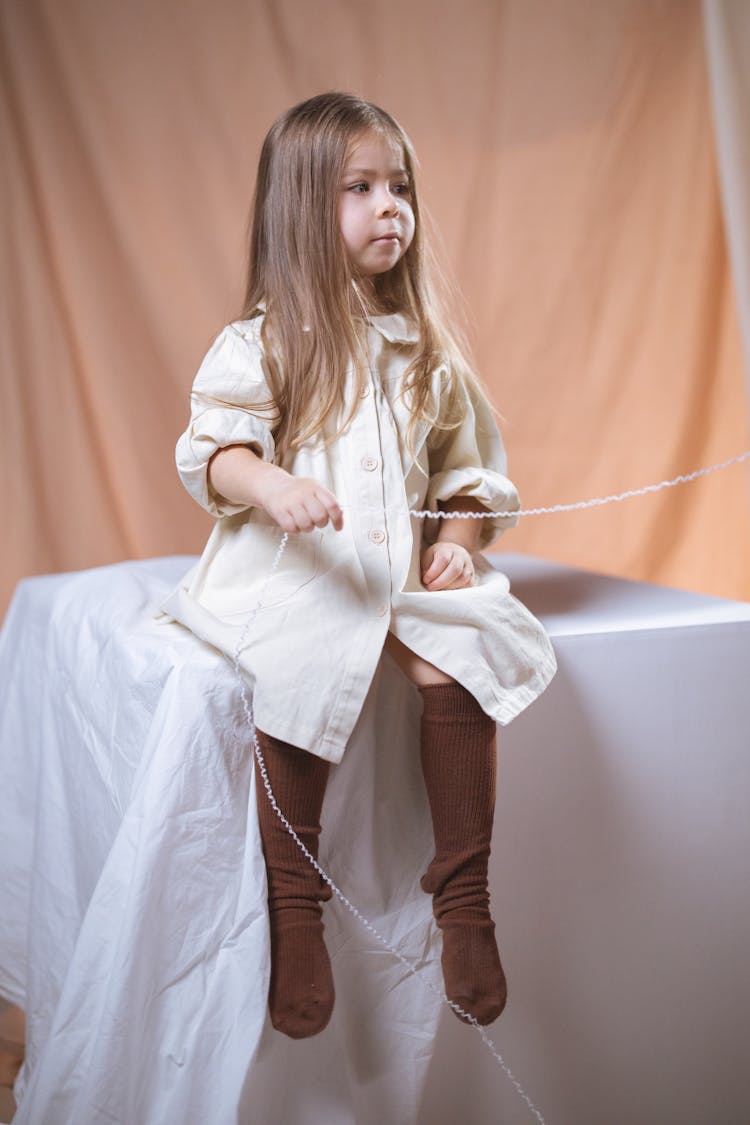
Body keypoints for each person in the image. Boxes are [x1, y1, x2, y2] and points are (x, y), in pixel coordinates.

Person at [163, 92, 556, 1042]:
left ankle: (465, 900)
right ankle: (296, 907)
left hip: (402, 575)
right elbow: (212, 444)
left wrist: (457, 545)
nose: (392, 208)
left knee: (461, 655)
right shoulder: (266, 340)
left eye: (402, 187)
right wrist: (266, 482)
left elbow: (472, 470)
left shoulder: (425, 351)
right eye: (363, 189)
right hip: (304, 568)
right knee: (298, 668)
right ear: (304, 209)